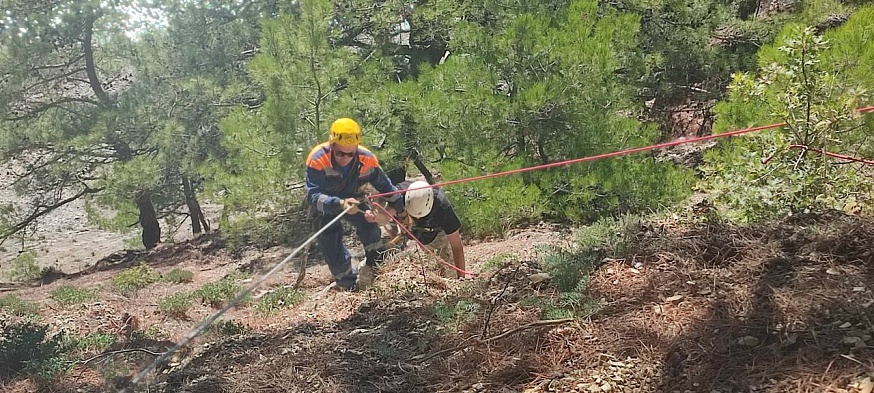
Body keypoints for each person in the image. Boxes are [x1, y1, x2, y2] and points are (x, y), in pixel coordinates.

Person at [304, 118, 404, 290]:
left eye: (350, 154)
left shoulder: (368, 159)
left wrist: (392, 212)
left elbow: (389, 190)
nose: (345, 158)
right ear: (332, 145)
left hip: (355, 200)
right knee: (329, 239)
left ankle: (377, 270)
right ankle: (348, 284)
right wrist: (340, 204)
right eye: (340, 153)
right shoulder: (317, 159)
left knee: (370, 226)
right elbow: (313, 197)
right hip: (325, 203)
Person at [399, 180, 468, 278]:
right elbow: (382, 208)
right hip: (409, 229)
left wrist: (461, 279)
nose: (417, 219)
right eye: (414, 216)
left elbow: (456, 246)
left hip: (436, 233)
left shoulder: (444, 209)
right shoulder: (398, 194)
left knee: (449, 272)